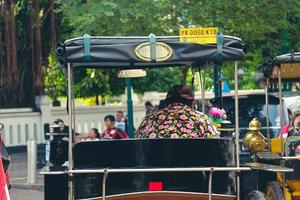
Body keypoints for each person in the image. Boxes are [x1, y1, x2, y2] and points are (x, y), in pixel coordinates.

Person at [136, 85, 219, 138]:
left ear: (166, 102)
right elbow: (216, 146)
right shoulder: (202, 119)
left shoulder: (148, 120)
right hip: (194, 165)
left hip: (153, 165)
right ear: (193, 103)